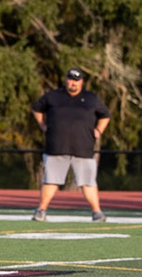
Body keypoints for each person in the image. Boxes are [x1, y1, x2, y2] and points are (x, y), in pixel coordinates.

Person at [30, 68, 110, 222]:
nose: (72, 83)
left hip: (83, 148)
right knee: (51, 181)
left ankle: (97, 212)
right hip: (56, 148)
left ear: (82, 82)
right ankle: (41, 210)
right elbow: (36, 108)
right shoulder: (53, 96)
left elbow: (105, 115)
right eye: (70, 79)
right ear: (66, 80)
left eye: (76, 80)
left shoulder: (91, 98)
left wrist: (99, 130)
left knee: (88, 183)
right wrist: (42, 124)